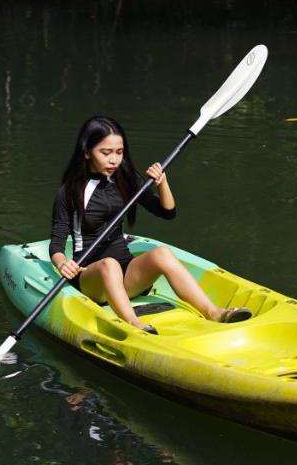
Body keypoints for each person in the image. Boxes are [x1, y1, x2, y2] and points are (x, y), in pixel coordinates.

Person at [49, 115, 252, 334]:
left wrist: (162, 183)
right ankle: (134, 324)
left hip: (127, 277)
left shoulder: (126, 179)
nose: (114, 160)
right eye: (105, 153)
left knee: (162, 253)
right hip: (92, 278)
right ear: (87, 152)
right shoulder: (70, 192)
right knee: (109, 265)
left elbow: (167, 212)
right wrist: (63, 264)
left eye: (119, 152)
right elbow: (57, 243)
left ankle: (214, 312)